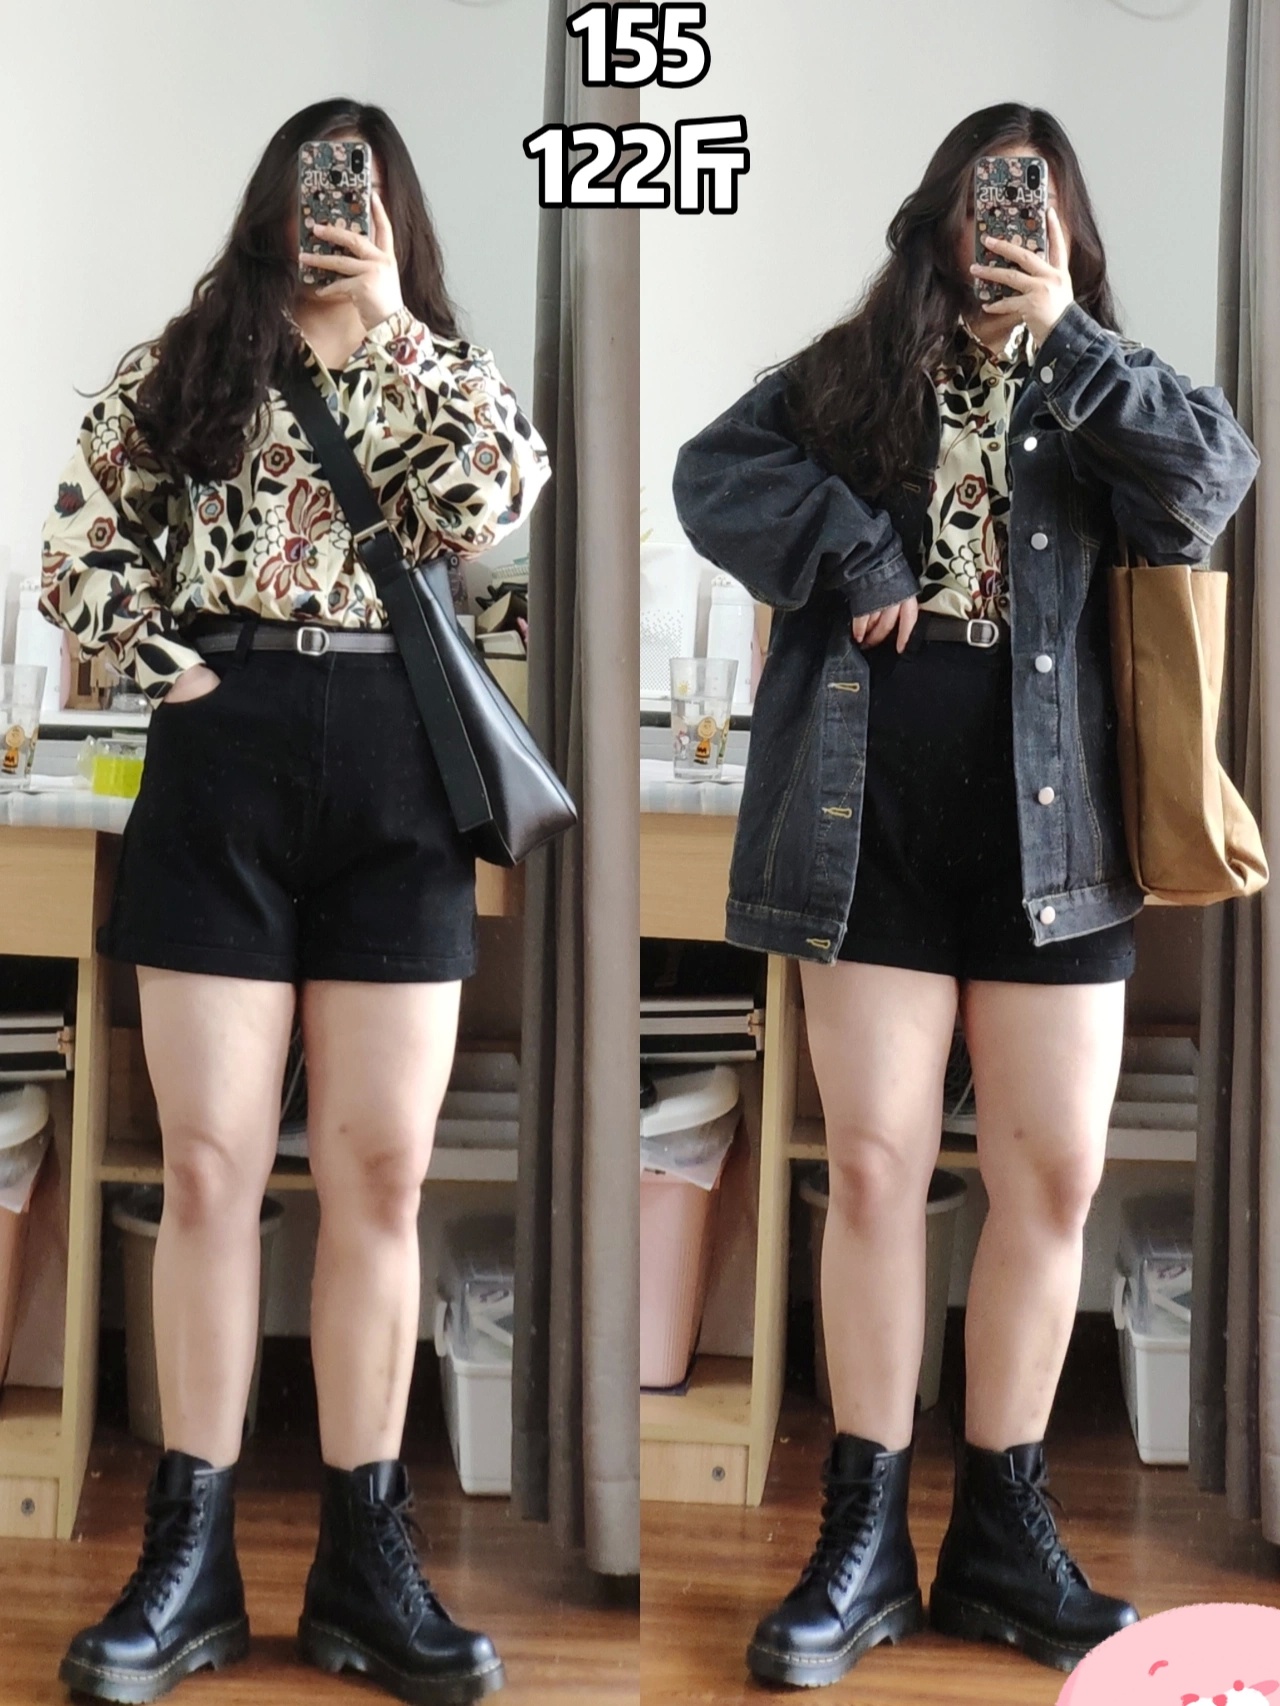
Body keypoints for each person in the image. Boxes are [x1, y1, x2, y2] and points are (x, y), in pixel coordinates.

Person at [672, 103, 1258, 1688]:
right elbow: (710, 474)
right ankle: (861, 1539)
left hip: (1057, 831)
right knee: (872, 1165)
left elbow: (1216, 476)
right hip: (869, 813)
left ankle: (1001, 1533)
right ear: (937, 218)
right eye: (985, 201)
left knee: (1051, 1176)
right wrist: (853, 550)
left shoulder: (1105, 385)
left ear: (1067, 231)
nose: (1004, 227)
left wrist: (1065, 336)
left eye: (1033, 205)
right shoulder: (854, 376)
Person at [40, 98, 549, 1706]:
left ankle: (362, 1559)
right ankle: (187, 1559)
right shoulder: (191, 362)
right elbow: (75, 553)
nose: (336, 208)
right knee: (207, 1167)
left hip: (399, 770)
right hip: (227, 766)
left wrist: (394, 327)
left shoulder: (434, 369)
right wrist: (176, 663)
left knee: (378, 1174)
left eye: (363, 187)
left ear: (393, 214)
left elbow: (501, 498)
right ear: (274, 198)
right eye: (318, 181)